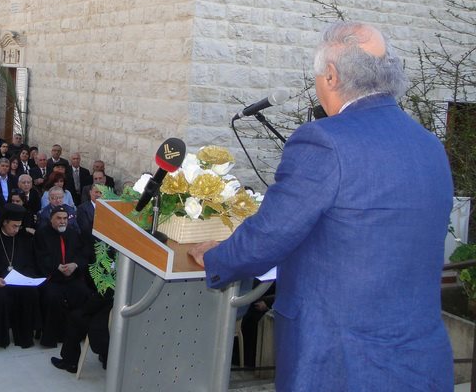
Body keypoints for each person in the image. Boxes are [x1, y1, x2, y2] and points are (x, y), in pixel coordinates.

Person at [189, 22, 454, 391]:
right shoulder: (430, 146)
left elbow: (272, 234)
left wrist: (215, 256)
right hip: (420, 361)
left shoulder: (324, 141)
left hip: (338, 363)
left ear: (330, 76)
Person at [0, 203, 38, 348]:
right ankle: (1, 337)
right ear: (4, 222)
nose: (17, 230)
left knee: (31, 293)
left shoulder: (24, 239)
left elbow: (30, 263)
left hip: (19, 283)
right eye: (14, 226)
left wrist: (26, 277)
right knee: (1, 297)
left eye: (19, 226)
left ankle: (24, 337)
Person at [34, 205, 90, 348]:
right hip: (52, 278)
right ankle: (51, 337)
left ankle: (76, 334)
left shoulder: (73, 233)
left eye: (65, 218)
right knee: (52, 297)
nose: (62, 221)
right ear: (51, 219)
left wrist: (75, 265)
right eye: (58, 218)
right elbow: (39, 257)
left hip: (71, 277)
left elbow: (83, 254)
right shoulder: (42, 234)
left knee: (83, 293)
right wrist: (56, 266)